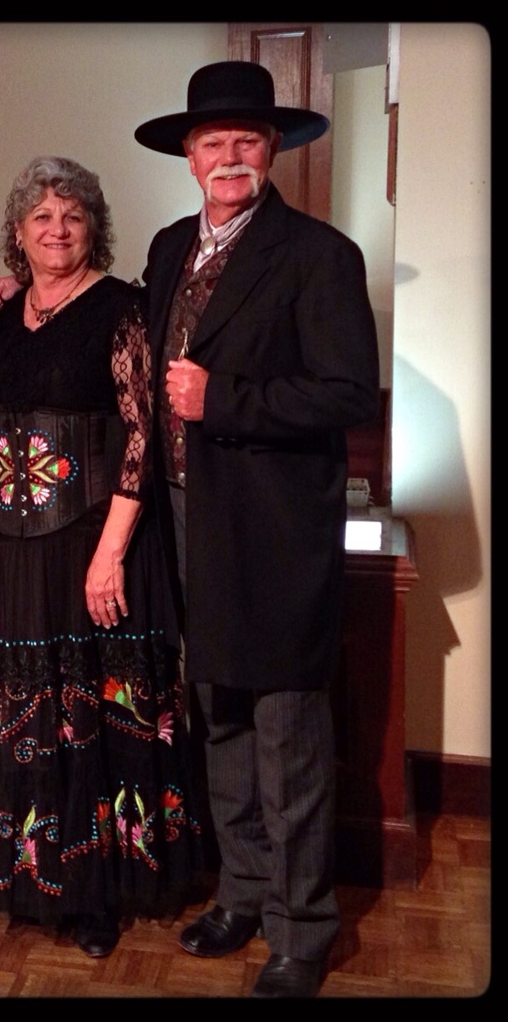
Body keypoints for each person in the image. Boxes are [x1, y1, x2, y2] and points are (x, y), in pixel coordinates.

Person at [134, 61, 380, 997]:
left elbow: (346, 393)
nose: (229, 155)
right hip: (185, 519)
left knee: (287, 732)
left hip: (275, 532)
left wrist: (223, 398)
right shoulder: (168, 247)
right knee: (221, 718)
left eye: (247, 140)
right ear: (189, 155)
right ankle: (239, 893)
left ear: (272, 149)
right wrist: (19, 295)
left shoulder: (320, 255)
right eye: (213, 141)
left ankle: (300, 928)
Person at [0, 156, 201, 959]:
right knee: (38, 718)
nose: (57, 229)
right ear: (19, 231)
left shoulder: (121, 308)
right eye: (42, 216)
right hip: (21, 548)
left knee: (96, 716)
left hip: (99, 540)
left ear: (93, 227)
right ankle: (42, 878)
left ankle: (100, 893)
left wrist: (110, 555)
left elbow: (141, 435)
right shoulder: (8, 312)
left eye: (72, 216)